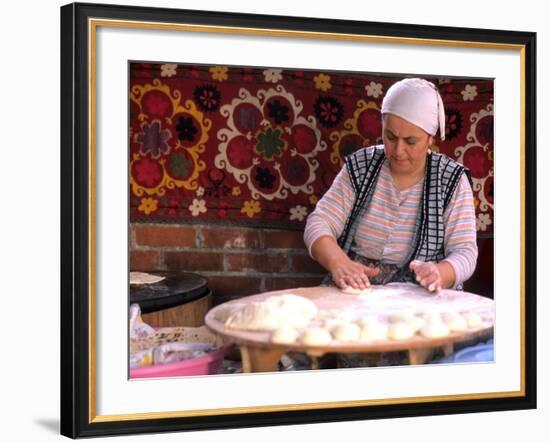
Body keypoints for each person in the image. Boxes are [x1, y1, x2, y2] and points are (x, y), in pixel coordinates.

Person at [304, 77, 478, 294]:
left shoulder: (451, 181)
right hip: (357, 284)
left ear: (430, 139)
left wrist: (440, 273)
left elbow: (465, 252)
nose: (398, 150)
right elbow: (319, 222)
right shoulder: (362, 166)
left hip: (419, 292)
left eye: (411, 141)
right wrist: (339, 262)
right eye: (390, 136)